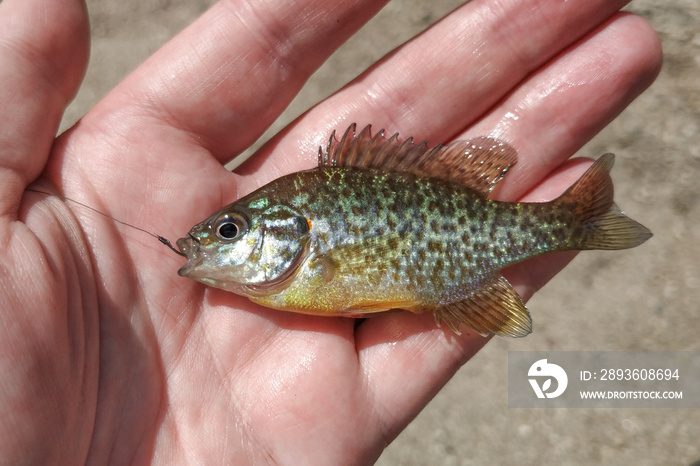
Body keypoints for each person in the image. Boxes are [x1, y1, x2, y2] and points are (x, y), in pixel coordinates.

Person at [0, 0, 660, 463]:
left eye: (230, 231)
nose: (210, 243)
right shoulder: (282, 273)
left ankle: (575, 222)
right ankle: (577, 224)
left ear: (291, 232)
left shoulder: (308, 261)